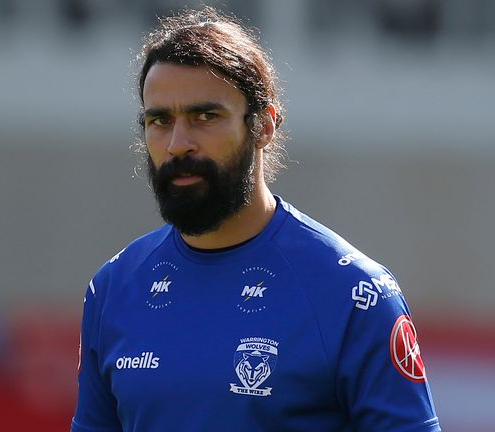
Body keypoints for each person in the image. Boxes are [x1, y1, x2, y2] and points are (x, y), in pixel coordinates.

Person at [72, 7, 440, 432]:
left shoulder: (353, 294)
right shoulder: (113, 290)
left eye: (205, 117)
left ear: (263, 125)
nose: (177, 144)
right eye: (160, 121)